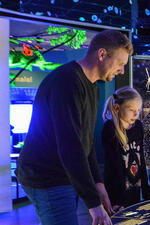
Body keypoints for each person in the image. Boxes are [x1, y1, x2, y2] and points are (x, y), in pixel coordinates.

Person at [16, 30, 132, 225]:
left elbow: (86, 142)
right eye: (120, 64)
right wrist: (94, 204)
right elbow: (70, 146)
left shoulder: (92, 86)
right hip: (48, 177)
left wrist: (98, 183)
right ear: (102, 54)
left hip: (65, 174)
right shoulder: (67, 82)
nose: (122, 71)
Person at [101, 87, 150, 210]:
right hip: (116, 193)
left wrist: (146, 190)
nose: (136, 114)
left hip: (135, 190)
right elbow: (113, 166)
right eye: (131, 110)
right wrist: (119, 199)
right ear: (117, 108)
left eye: (138, 110)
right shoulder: (110, 129)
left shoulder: (138, 126)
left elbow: (141, 159)